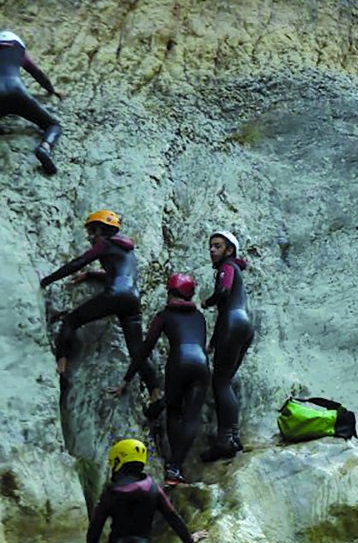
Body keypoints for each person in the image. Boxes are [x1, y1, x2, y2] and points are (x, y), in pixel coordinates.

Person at [113, 274, 210, 487]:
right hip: (202, 365)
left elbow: (144, 349)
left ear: (170, 294)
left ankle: (171, 468)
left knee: (174, 412)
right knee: (192, 417)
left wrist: (126, 379)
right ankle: (176, 467)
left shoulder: (165, 315)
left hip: (179, 362)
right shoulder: (199, 317)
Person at [41, 210, 157, 386]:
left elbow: (77, 263)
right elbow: (118, 273)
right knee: (136, 351)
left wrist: (46, 281)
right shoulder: (127, 249)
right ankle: (155, 392)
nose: (90, 237)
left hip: (116, 294)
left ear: (99, 230)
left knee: (71, 321)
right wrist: (90, 275)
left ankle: (61, 366)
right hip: (133, 298)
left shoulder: (104, 243)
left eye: (91, 232)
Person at [86, 439, 207, 543]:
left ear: (118, 461)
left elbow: (95, 528)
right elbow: (173, 517)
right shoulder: (153, 489)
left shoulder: (111, 493)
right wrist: (190, 540)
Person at [200, 231, 253, 461]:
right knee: (225, 382)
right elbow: (226, 309)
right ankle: (232, 436)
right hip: (243, 325)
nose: (212, 250)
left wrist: (206, 301)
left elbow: (223, 292)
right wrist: (213, 342)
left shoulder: (227, 267)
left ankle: (224, 440)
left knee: (220, 383)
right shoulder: (236, 267)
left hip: (232, 324)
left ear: (229, 250)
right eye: (211, 246)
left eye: (218, 246)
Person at [1, 30, 62, 175]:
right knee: (53, 125)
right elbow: (37, 73)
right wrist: (52, 91)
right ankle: (44, 148)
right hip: (17, 91)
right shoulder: (19, 51)